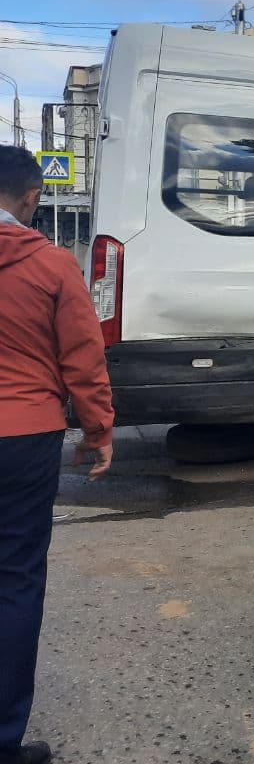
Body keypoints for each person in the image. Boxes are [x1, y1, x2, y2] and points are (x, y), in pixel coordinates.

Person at [0, 146, 114, 764]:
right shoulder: (50, 265)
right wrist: (99, 431)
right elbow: (82, 356)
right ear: (31, 198)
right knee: (15, 580)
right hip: (24, 436)